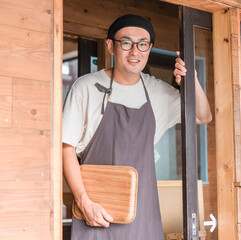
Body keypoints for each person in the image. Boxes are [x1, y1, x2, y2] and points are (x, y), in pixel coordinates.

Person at [62, 14, 212, 240]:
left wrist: (193, 81)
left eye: (142, 44)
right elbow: (66, 148)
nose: (135, 52)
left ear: (149, 48)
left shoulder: (157, 92)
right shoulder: (85, 87)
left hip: (144, 216)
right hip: (96, 215)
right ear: (111, 46)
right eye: (126, 43)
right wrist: (84, 203)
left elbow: (203, 116)